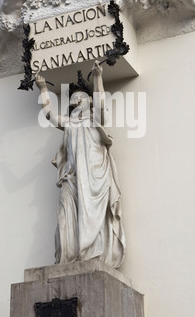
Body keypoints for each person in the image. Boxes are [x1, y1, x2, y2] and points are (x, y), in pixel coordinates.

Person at [35, 61, 126, 269]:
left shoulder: (95, 119)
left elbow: (102, 104)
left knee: (93, 217)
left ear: (90, 103)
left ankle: (94, 254)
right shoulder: (69, 123)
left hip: (95, 178)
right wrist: (43, 89)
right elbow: (49, 115)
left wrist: (98, 78)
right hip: (72, 178)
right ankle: (68, 258)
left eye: (81, 98)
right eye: (73, 99)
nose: (76, 101)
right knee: (65, 216)